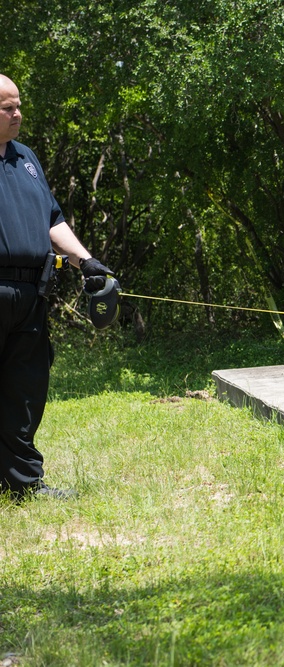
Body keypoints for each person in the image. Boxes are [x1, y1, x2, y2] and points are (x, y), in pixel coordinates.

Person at [0, 73, 113, 501]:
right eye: (7, 107)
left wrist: (87, 261)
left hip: (31, 295)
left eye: (18, 105)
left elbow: (53, 220)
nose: (17, 114)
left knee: (25, 391)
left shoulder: (26, 158)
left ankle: (22, 484)